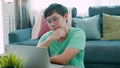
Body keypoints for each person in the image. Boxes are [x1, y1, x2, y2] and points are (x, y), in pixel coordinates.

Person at [37, 3, 86, 68]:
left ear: (65, 17)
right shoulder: (47, 36)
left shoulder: (78, 33)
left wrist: (43, 60)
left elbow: (64, 59)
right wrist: (50, 39)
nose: (52, 24)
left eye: (55, 19)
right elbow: (36, 55)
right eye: (49, 21)